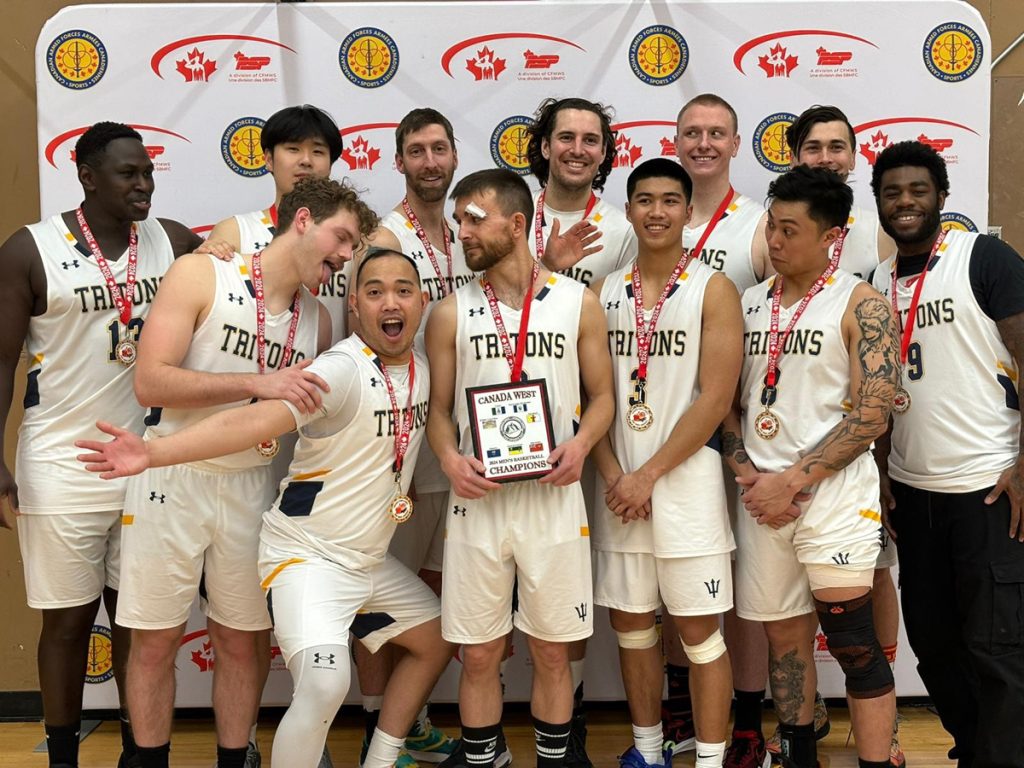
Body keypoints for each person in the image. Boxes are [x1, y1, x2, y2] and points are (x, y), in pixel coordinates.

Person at [77, 249, 454, 768]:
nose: (391, 302)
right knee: (326, 682)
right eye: (374, 291)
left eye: (404, 290)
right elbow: (251, 424)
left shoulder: (424, 370)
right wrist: (152, 452)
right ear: (355, 305)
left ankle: (381, 761)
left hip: (366, 563)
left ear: (423, 300)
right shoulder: (339, 370)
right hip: (307, 560)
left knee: (435, 639)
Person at [111, 177, 375, 768]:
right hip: (171, 479)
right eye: (341, 238)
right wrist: (255, 383)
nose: (343, 256)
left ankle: (237, 759)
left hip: (253, 488)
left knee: (239, 640)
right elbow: (150, 379)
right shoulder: (203, 274)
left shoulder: (319, 324)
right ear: (302, 220)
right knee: (154, 642)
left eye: (352, 250)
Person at [0, 121, 202, 768]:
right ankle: (61, 757)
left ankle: (139, 753)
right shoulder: (29, 250)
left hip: (148, 462)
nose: (143, 184)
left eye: (147, 172)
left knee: (140, 624)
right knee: (66, 623)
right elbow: (0, 363)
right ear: (87, 177)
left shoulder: (172, 242)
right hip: (63, 462)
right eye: (127, 174)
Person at [425, 169, 614, 768]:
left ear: (515, 222)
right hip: (478, 502)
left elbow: (603, 397)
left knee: (554, 651)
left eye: (473, 218)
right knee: (479, 654)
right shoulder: (451, 310)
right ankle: (485, 756)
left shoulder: (576, 301)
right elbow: (436, 411)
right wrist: (451, 460)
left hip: (552, 499)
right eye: (457, 222)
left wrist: (581, 446)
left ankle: (555, 758)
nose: (462, 232)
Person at [721, 165, 899, 768]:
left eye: (790, 231)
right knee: (783, 638)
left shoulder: (862, 304)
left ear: (831, 236)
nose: (774, 241)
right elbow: (722, 403)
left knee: (852, 644)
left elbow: (873, 413)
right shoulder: (744, 304)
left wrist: (792, 481)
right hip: (760, 499)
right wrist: (747, 469)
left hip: (834, 496)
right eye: (771, 226)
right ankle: (800, 757)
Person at [870, 140, 1024, 768]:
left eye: (918, 190)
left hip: (986, 487)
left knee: (997, 649)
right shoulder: (877, 281)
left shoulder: (982, 258)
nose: (905, 202)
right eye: (891, 192)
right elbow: (877, 393)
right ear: (876, 202)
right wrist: (880, 478)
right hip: (913, 493)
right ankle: (973, 748)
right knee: (933, 646)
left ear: (941, 196)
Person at [590, 157, 742, 768]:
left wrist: (647, 475)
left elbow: (715, 397)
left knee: (701, 638)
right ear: (628, 211)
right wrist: (613, 477)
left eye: (670, 200)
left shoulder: (715, 287)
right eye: (644, 200)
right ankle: (649, 752)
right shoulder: (603, 291)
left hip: (684, 489)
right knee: (632, 629)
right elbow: (589, 396)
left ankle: (708, 758)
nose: (656, 211)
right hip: (618, 488)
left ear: (687, 210)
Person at [349, 108, 473, 768]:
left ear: (455, 157)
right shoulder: (382, 236)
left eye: (439, 149)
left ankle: (411, 719)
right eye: (417, 151)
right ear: (398, 162)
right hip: (395, 437)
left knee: (425, 584)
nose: (430, 161)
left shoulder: (464, 234)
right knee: (379, 586)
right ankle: (377, 729)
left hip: (451, 437)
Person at [786, 104, 903, 767]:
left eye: (838, 146)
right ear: (795, 155)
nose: (826, 156)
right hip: (792, 446)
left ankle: (880, 733)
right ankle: (808, 717)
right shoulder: (774, 233)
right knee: (787, 606)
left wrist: (877, 447)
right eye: (814, 146)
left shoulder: (873, 241)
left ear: (855, 157)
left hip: (864, 439)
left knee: (874, 573)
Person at [672, 93, 775, 762]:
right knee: (676, 582)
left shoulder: (761, 225)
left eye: (717, 133)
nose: (704, 142)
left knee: (741, 589)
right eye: (692, 133)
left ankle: (745, 719)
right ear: (675, 141)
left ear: (737, 144)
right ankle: (688, 710)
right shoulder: (655, 214)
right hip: (668, 433)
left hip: (739, 432)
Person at [208, 104, 349, 343]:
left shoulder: (354, 242)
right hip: (254, 373)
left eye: (317, 151)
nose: (306, 161)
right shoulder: (234, 232)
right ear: (269, 160)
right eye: (293, 149)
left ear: (330, 163)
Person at [525, 96, 637, 287]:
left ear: (602, 152)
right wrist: (546, 266)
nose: (577, 150)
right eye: (566, 137)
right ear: (545, 147)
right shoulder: (514, 216)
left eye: (590, 140)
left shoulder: (624, 231)